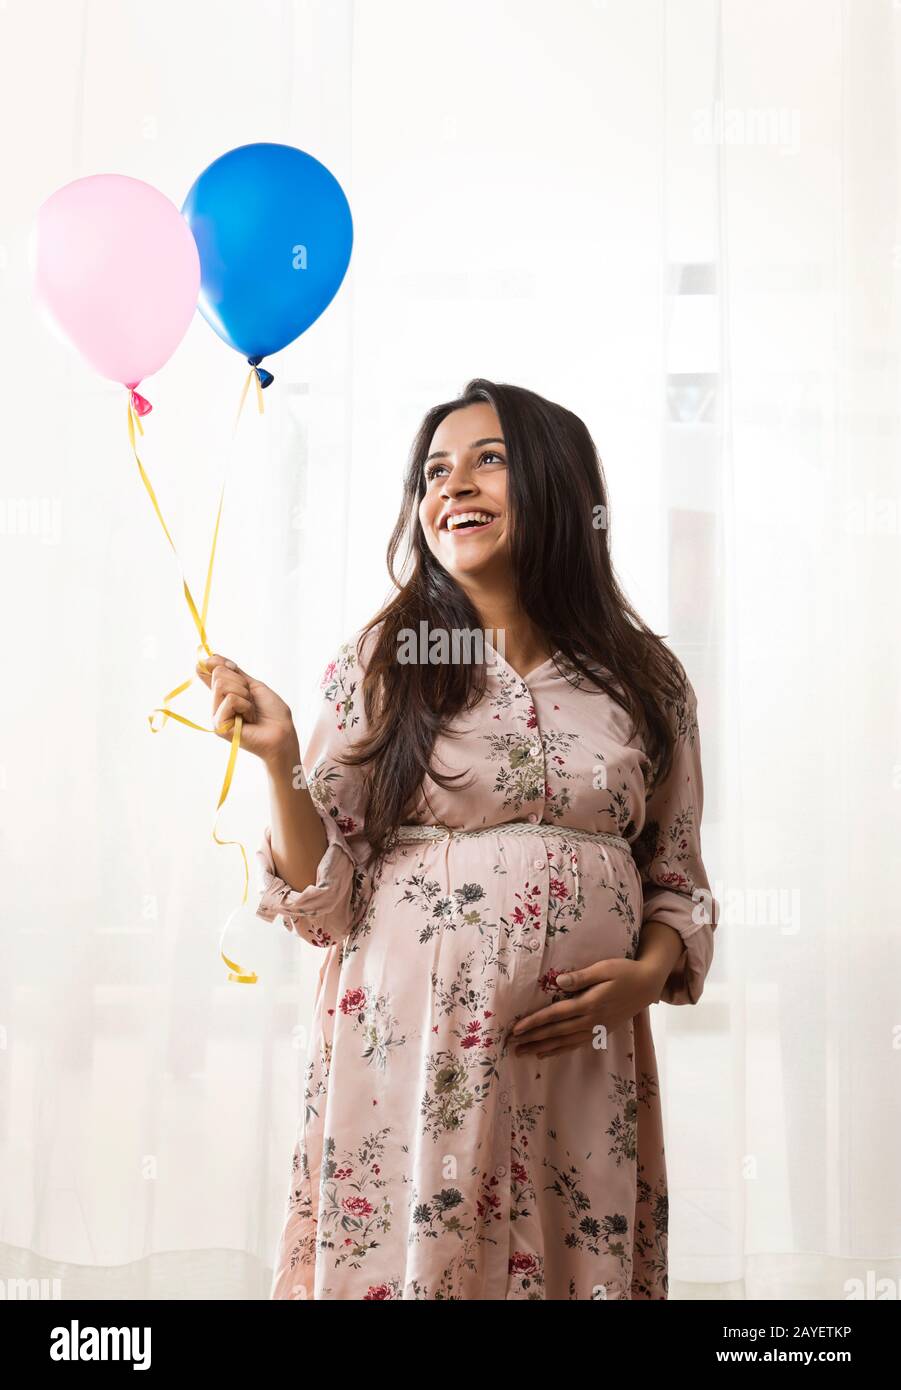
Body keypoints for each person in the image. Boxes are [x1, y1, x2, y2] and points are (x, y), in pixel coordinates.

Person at [196, 377, 718, 1301]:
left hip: (580, 1063)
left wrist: (644, 974)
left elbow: (674, 875)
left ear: (557, 485)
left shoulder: (645, 677)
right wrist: (280, 762)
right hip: (411, 1046)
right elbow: (328, 901)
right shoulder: (384, 663)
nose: (453, 487)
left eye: (488, 460)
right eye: (435, 471)